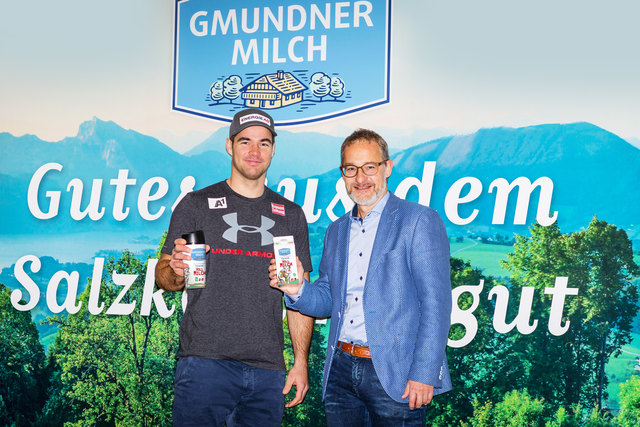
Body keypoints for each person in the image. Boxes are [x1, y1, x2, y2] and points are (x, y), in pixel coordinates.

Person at [269, 129, 452, 426]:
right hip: (340, 371)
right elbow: (327, 299)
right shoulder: (336, 230)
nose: (360, 178)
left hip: (397, 375)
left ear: (387, 167)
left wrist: (424, 373)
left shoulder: (419, 220)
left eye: (369, 167)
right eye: (351, 169)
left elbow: (436, 305)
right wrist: (297, 289)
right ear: (343, 173)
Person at [156, 108, 314, 426]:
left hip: (267, 370)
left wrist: (300, 362)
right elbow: (165, 279)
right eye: (245, 142)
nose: (255, 151)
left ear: (273, 149)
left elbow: (298, 298)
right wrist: (175, 269)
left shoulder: (290, 215)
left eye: (264, 143)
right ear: (229, 146)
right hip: (204, 363)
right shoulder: (196, 205)